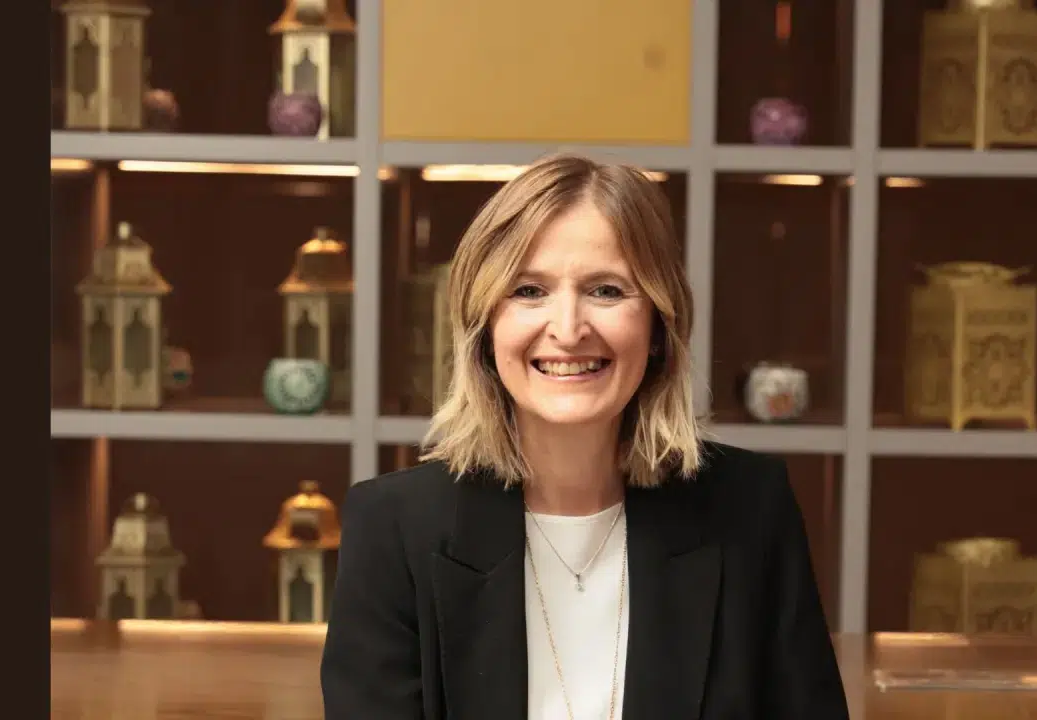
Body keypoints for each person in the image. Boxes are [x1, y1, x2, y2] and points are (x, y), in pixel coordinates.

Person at [320, 153, 850, 719]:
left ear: (658, 325)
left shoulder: (751, 509)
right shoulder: (394, 529)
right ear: (485, 327)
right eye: (529, 291)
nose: (569, 330)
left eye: (606, 290)